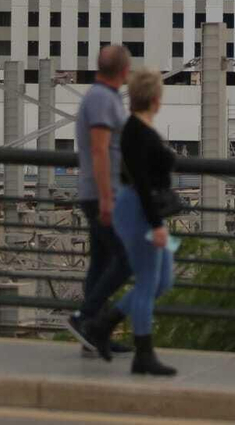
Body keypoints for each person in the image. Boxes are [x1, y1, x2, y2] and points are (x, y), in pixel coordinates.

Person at [87, 67, 178, 377]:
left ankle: (103, 324)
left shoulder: (139, 129)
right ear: (156, 99)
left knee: (163, 280)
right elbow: (141, 181)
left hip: (141, 207)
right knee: (148, 282)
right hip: (140, 210)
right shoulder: (137, 133)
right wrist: (156, 225)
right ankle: (144, 353)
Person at [66, 44, 132, 355]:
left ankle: (93, 337)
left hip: (99, 193)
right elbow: (100, 150)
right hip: (104, 196)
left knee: (101, 263)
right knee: (127, 260)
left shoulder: (100, 97)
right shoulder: (103, 99)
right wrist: (108, 199)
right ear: (124, 71)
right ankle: (85, 319)